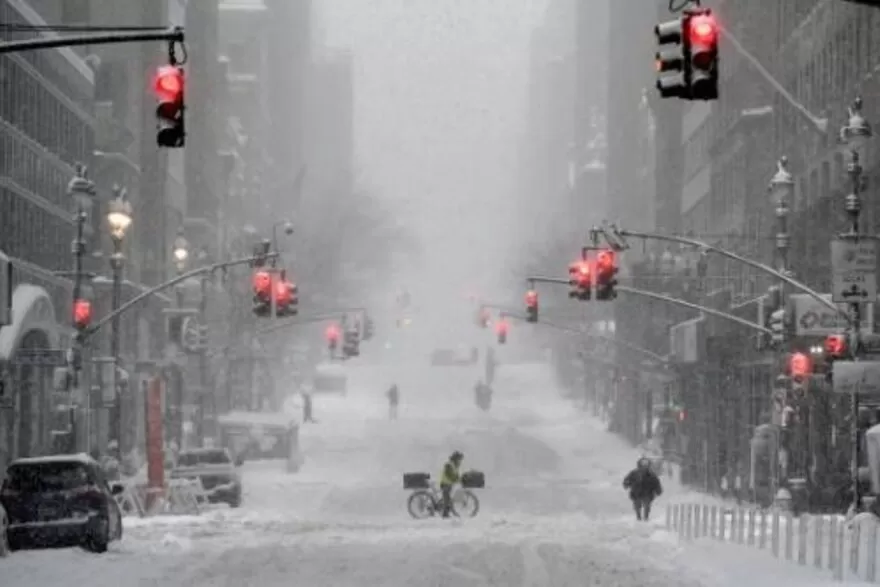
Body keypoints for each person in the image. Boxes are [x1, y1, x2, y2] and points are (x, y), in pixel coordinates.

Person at [623, 457, 662, 521]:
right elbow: (627, 480)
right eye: (642, 465)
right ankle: (638, 517)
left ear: (648, 466)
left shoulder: (651, 475)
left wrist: (658, 490)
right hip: (636, 493)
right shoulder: (634, 473)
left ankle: (646, 517)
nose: (644, 467)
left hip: (647, 493)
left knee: (647, 505)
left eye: (646, 465)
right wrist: (626, 484)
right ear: (639, 465)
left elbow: (656, 483)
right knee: (637, 505)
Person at [439, 450, 464, 518]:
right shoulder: (449, 465)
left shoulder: (455, 465)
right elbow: (449, 475)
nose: (460, 461)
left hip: (449, 483)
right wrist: (456, 480)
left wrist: (460, 479)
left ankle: (447, 511)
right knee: (447, 499)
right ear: (455, 458)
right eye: (459, 459)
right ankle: (445, 514)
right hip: (445, 483)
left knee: (448, 497)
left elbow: (456, 475)